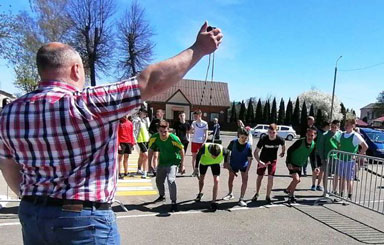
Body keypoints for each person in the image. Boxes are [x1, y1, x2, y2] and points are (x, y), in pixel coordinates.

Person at [0, 22, 222, 244]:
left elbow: (7, 165)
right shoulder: (87, 102)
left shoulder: (9, 112)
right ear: (76, 69)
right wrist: (199, 48)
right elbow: (151, 81)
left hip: (32, 215)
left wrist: (33, 199)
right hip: (82, 220)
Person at [148, 120, 185, 212]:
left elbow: (182, 150)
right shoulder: (154, 138)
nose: (163, 133)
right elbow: (151, 150)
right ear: (158, 130)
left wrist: (182, 165)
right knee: (158, 180)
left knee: (170, 180)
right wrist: (149, 165)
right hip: (162, 162)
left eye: (165, 131)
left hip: (173, 162)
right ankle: (162, 196)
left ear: (168, 130)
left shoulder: (173, 138)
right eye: (161, 131)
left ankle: (173, 202)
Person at [252, 123, 286, 204]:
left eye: (273, 132)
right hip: (263, 160)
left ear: (276, 132)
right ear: (267, 131)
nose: (271, 134)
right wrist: (259, 162)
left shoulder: (280, 139)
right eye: (270, 132)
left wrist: (283, 152)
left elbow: (283, 145)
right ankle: (257, 193)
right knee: (260, 176)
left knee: (270, 177)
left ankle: (268, 196)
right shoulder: (263, 139)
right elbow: (255, 152)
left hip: (272, 160)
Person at [336, 119, 368, 199]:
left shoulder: (356, 135)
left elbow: (365, 146)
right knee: (342, 178)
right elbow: (338, 145)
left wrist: (358, 157)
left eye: (348, 125)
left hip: (350, 161)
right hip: (341, 159)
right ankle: (340, 194)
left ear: (353, 126)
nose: (346, 126)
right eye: (345, 124)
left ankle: (349, 195)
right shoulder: (341, 134)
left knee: (349, 179)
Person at [194, 143, 230, 212]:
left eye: (216, 156)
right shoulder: (204, 148)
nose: (215, 157)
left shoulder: (223, 150)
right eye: (213, 156)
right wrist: (196, 168)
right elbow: (198, 156)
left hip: (215, 164)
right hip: (204, 162)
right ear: (210, 152)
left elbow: (228, 153)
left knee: (216, 181)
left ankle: (213, 201)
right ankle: (200, 193)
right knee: (201, 179)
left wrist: (226, 162)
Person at [285, 127, 317, 203]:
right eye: (308, 135)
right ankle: (291, 195)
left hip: (299, 164)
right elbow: (289, 150)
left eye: (312, 135)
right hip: (292, 162)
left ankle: (288, 190)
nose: (310, 137)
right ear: (306, 134)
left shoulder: (313, 145)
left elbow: (313, 157)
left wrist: (315, 167)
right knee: (296, 179)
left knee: (297, 180)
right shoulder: (300, 142)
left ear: (315, 136)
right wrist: (289, 162)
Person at [222, 128, 253, 207]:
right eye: (242, 137)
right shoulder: (233, 142)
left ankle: (241, 199)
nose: (244, 139)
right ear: (238, 135)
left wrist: (247, 171)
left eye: (246, 138)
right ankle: (230, 194)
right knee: (231, 179)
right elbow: (227, 152)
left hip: (243, 164)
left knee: (245, 181)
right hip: (233, 163)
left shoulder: (248, 146)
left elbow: (250, 160)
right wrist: (226, 163)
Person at [310, 121, 329, 191]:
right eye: (329, 126)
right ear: (326, 126)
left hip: (322, 154)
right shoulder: (317, 132)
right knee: (315, 170)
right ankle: (313, 185)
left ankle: (318, 185)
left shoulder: (327, 134)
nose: (329, 128)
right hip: (315, 153)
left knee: (322, 171)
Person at [133, 108, 150, 178]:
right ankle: (145, 171)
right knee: (146, 155)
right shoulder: (136, 120)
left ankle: (139, 169)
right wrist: (134, 139)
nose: (145, 114)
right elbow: (133, 130)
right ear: (140, 112)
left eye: (146, 113)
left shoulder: (144, 120)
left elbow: (148, 127)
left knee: (141, 155)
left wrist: (147, 119)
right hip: (140, 139)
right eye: (144, 113)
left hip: (146, 139)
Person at [191, 110, 208, 176]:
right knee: (194, 157)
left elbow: (206, 134)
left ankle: (200, 171)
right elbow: (191, 130)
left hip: (201, 142)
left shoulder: (205, 123)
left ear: (200, 115)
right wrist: (190, 129)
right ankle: (194, 171)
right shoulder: (194, 123)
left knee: (201, 157)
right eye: (194, 116)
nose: (195, 117)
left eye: (196, 116)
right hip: (194, 141)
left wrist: (205, 141)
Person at [148, 108, 165, 176]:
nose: (157, 115)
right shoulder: (154, 121)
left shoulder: (164, 122)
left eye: (158, 114)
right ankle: (155, 169)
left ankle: (159, 168)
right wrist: (155, 134)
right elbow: (150, 130)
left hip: (162, 140)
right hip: (155, 140)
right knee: (155, 155)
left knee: (160, 156)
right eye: (156, 114)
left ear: (162, 114)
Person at [118, 115, 135, 179]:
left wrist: (132, 142)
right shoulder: (119, 123)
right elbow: (117, 134)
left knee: (126, 158)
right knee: (119, 158)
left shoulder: (130, 123)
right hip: (121, 142)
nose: (125, 117)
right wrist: (118, 144)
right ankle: (119, 173)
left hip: (128, 142)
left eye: (126, 115)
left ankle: (126, 172)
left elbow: (131, 133)